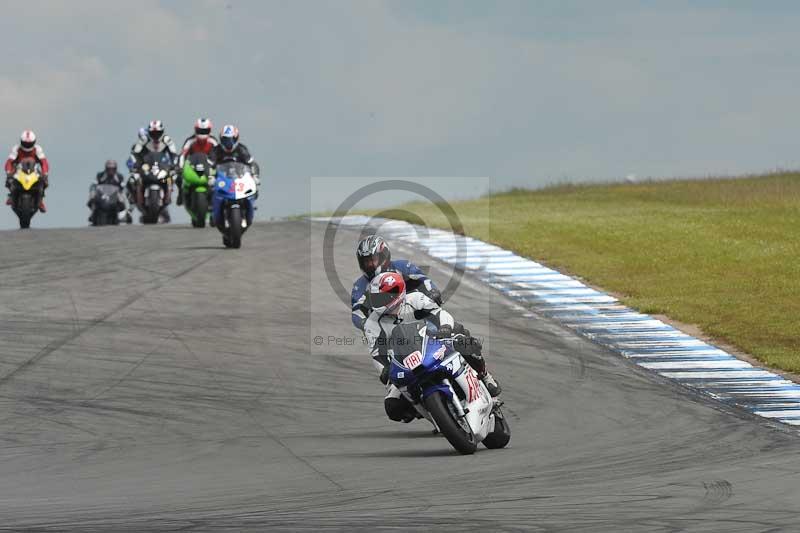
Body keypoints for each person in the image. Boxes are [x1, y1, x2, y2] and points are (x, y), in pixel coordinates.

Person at [363, 272, 501, 423]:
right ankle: (431, 411)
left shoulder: (414, 299)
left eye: (383, 297)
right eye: (376, 298)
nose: (379, 302)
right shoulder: (372, 324)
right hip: (405, 359)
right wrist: (385, 369)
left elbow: (440, 314)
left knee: (466, 343)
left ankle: (485, 376)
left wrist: (445, 328)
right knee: (393, 406)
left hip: (435, 340)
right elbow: (377, 354)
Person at [351, 235, 441, 330]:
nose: (369, 265)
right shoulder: (359, 285)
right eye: (366, 262)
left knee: (433, 323)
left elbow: (424, 280)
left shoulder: (402, 267)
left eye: (373, 260)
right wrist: (365, 324)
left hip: (414, 314)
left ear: (383, 256)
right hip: (385, 326)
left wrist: (432, 292)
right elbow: (357, 312)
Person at [209, 124, 260, 237]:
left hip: (239, 179)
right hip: (222, 179)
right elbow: (209, 166)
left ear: (236, 139)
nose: (229, 143)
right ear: (221, 139)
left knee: (254, 188)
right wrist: (210, 177)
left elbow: (252, 164)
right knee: (209, 188)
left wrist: (255, 176)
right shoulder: (215, 150)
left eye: (231, 139)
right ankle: (212, 210)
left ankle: (249, 207)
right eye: (226, 140)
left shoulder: (242, 149)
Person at [131, 120, 179, 221]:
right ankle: (136, 199)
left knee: (173, 178)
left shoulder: (167, 140)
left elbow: (173, 154)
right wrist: (136, 164)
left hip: (162, 167)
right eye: (153, 133)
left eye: (158, 133)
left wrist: (174, 165)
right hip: (147, 167)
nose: (155, 135)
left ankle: (171, 196)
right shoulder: (144, 140)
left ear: (162, 132)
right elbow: (135, 153)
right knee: (133, 180)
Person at [176, 117, 218, 206]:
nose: (202, 134)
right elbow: (182, 155)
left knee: (218, 180)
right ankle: (180, 194)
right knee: (178, 177)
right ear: (195, 130)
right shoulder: (190, 141)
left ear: (209, 130)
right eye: (200, 131)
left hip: (209, 167)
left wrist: (218, 166)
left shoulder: (213, 141)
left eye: (205, 131)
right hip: (193, 166)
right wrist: (180, 167)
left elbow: (219, 155)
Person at [5, 130, 49, 212]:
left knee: (44, 181)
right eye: (25, 143)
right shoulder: (16, 148)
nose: (27, 145)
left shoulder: (37, 149)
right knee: (9, 180)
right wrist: (8, 172)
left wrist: (45, 173)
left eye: (29, 144)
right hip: (19, 169)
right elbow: (9, 161)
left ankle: (41, 201)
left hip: (34, 169)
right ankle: (11, 195)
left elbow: (44, 162)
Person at [87, 160, 126, 225]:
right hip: (102, 195)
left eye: (113, 169)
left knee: (122, 199)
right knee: (93, 196)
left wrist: (122, 187)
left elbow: (123, 185)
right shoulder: (100, 175)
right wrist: (93, 189)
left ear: (115, 169)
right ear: (106, 169)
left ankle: (122, 216)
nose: (111, 170)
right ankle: (92, 213)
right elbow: (94, 184)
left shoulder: (119, 176)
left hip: (114, 195)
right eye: (109, 169)